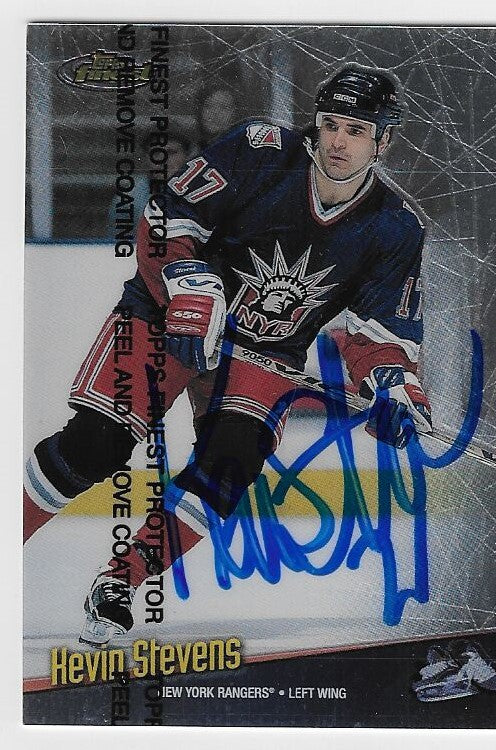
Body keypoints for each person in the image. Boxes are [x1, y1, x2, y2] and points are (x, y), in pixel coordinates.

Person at [23, 65, 432, 646]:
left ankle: (120, 580)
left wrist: (394, 386)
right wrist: (190, 287)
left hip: (263, 352)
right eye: (330, 125)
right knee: (96, 444)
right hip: (170, 313)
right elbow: (167, 219)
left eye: (357, 130)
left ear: (383, 141)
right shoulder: (260, 150)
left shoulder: (395, 227)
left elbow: (381, 333)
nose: (338, 142)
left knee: (229, 468)